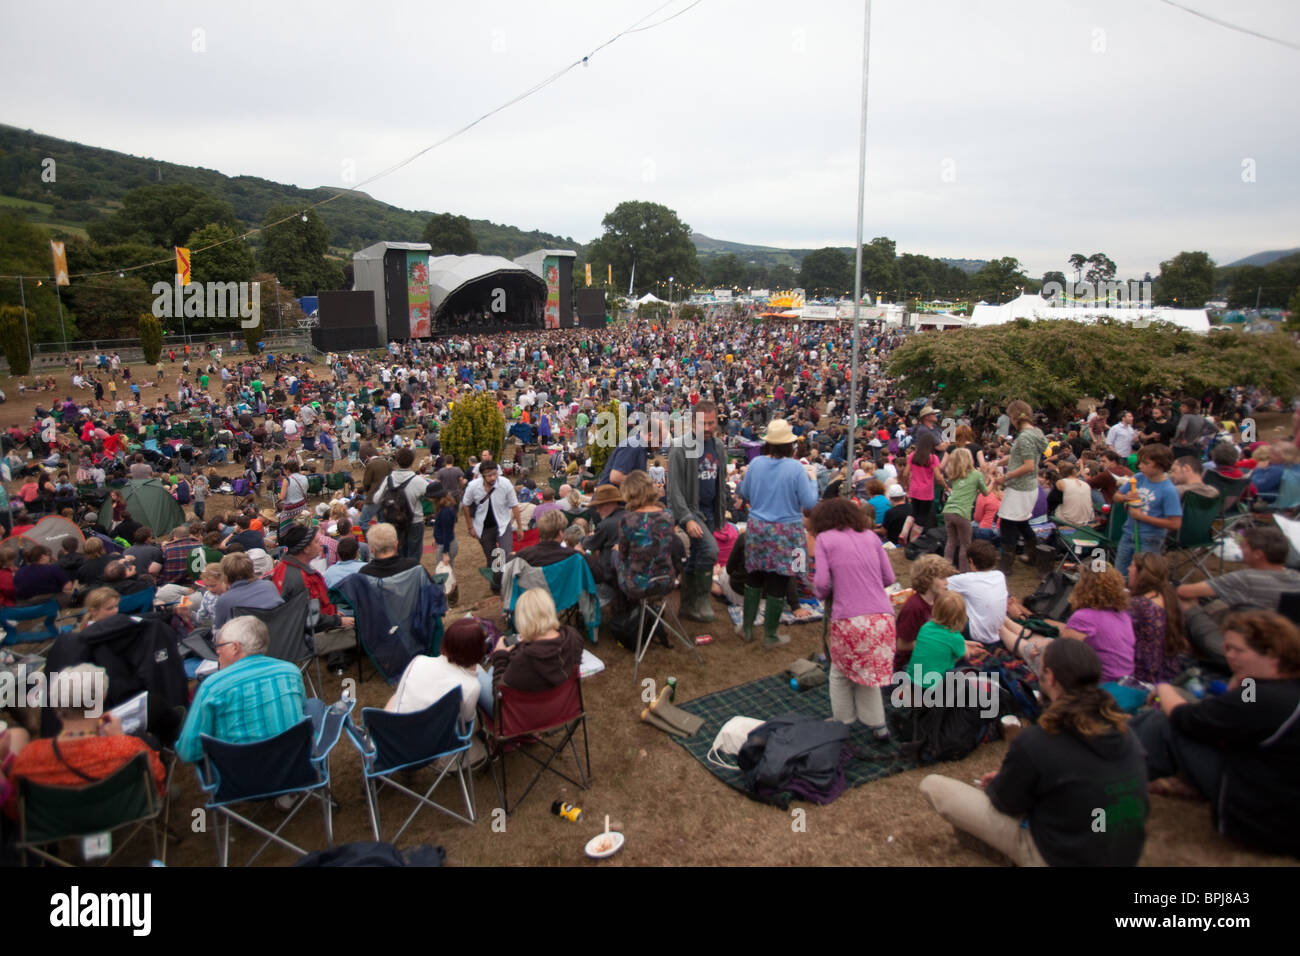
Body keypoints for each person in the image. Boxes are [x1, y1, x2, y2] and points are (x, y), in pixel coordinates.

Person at [920, 639, 1148, 866]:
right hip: (1123, 854)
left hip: (1059, 857)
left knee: (933, 785)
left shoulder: (1038, 741)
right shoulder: (1127, 733)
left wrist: (1010, 779)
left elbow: (1007, 804)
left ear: (1050, 677)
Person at [1129, 611, 1300, 857]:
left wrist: (1163, 688)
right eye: (1227, 648)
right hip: (1278, 798)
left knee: (1161, 723)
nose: (1229, 655)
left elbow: (1185, 718)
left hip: (1264, 817)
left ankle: (1107, 774)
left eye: (1238, 650)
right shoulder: (1283, 690)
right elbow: (1229, 714)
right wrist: (1240, 678)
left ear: (1272, 654)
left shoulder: (1265, 699)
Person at [3, 664, 166, 819]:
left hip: (60, 822)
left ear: (55, 706)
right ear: (100, 700)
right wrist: (120, 739)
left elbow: (17, 808)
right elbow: (158, 780)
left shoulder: (29, 758)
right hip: (123, 812)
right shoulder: (129, 749)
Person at [811, 497, 896, 738]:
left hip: (850, 619)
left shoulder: (825, 539)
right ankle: (878, 725)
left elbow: (821, 583)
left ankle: (842, 721)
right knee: (867, 673)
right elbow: (889, 578)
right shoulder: (871, 536)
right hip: (883, 618)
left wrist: (825, 593)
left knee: (839, 671)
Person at [174, 616, 307, 763]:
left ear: (235, 647)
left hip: (239, 781)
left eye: (220, 646)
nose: (217, 651)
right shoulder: (290, 672)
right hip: (294, 769)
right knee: (313, 706)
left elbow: (188, 752)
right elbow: (300, 709)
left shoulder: (212, 686)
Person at [734, 419, 819, 644]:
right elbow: (810, 503)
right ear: (789, 445)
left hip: (758, 528)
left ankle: (747, 628)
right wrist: (813, 481)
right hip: (787, 532)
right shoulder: (796, 468)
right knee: (779, 580)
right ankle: (770, 635)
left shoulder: (756, 464)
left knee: (754, 577)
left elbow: (744, 493)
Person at [1176, 526, 1300, 668]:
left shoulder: (1246, 578)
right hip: (1283, 648)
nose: (1241, 550)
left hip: (1245, 647)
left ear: (1258, 554)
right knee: (1218, 605)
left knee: (1187, 602)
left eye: (1244, 547)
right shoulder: (1296, 577)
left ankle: (1187, 653)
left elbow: (1184, 591)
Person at [1000, 565, 1136, 683]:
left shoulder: (1085, 617)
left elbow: (1063, 653)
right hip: (1119, 676)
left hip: (1095, 680)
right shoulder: (1122, 615)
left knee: (1030, 648)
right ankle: (1002, 620)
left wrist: (1043, 648)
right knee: (1041, 640)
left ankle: (999, 626)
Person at [667, 401, 728, 622]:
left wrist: (723, 508)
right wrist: (686, 518)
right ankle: (701, 600)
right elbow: (673, 490)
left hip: (710, 511)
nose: (710, 427)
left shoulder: (719, 446)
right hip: (690, 511)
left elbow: (720, 481)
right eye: (705, 423)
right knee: (710, 551)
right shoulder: (680, 447)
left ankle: (688, 605)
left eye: (713, 423)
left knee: (699, 553)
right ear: (693, 422)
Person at [485, 587, 583, 702]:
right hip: (563, 706)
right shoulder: (573, 637)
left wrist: (500, 656)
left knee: (486, 674)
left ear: (521, 620)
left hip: (529, 715)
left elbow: (499, 694)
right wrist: (538, 632)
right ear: (551, 611)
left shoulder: (522, 660)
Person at [385, 617, 485, 725]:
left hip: (394, 734)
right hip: (436, 739)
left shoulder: (419, 661)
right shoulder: (471, 686)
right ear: (479, 650)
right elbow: (466, 719)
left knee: (395, 697)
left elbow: (400, 695)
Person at [611, 469, 684, 605]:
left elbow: (623, 555)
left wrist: (616, 550)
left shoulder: (628, 519)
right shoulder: (668, 516)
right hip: (666, 581)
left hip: (638, 586)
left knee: (614, 556)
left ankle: (622, 609)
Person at [994, 400, 1047, 574]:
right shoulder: (1035, 432)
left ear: (1014, 416)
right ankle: (1034, 556)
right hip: (1028, 486)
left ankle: (1006, 564)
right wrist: (998, 462)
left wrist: (1005, 477)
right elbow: (1018, 456)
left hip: (1019, 487)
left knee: (1008, 525)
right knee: (1022, 522)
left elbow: (1028, 465)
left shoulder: (1025, 438)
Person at [1127, 553, 1188, 685]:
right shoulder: (1170, 596)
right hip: (1169, 669)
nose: (1128, 569)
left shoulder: (1139, 604)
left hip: (1142, 673)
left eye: (1131, 566)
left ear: (1140, 573)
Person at [461, 460, 521, 593]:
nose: (493, 478)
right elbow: (466, 504)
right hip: (483, 527)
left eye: (495, 474)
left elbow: (514, 505)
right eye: (489, 475)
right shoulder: (473, 486)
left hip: (503, 524)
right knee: (492, 558)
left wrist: (520, 527)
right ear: (482, 475)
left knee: (505, 554)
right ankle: (496, 584)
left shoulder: (505, 484)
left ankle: (506, 585)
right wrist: (470, 526)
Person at [895, 554, 957, 671]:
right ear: (927, 579)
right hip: (910, 664)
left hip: (929, 656)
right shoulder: (914, 607)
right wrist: (933, 643)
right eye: (942, 578)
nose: (947, 583)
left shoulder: (938, 600)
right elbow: (901, 645)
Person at [945, 540, 1007, 648]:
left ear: (971, 561)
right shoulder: (1000, 575)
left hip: (976, 634)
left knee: (950, 602)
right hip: (996, 632)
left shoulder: (967, 579)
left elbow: (941, 584)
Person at [372, 446, 430, 561]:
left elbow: (376, 499)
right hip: (414, 522)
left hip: (395, 522)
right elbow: (432, 495)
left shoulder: (389, 479)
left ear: (397, 461)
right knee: (414, 557)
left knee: (398, 556)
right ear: (412, 462)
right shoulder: (418, 481)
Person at [940, 448, 986, 572]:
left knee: (951, 541)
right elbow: (985, 492)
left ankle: (945, 570)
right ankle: (964, 571)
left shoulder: (954, 475)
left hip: (948, 510)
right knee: (965, 544)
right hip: (962, 512)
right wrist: (991, 481)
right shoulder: (976, 474)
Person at [211, 552, 283, 630]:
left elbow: (218, 630)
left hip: (248, 639)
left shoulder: (224, 600)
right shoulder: (269, 586)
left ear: (225, 576)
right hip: (278, 634)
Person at [902, 431, 947, 534]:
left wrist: (907, 487)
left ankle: (904, 532)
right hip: (926, 492)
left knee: (914, 512)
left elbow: (905, 474)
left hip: (914, 489)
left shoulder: (912, 456)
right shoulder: (932, 458)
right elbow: (938, 477)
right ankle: (914, 539)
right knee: (922, 516)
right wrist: (946, 487)